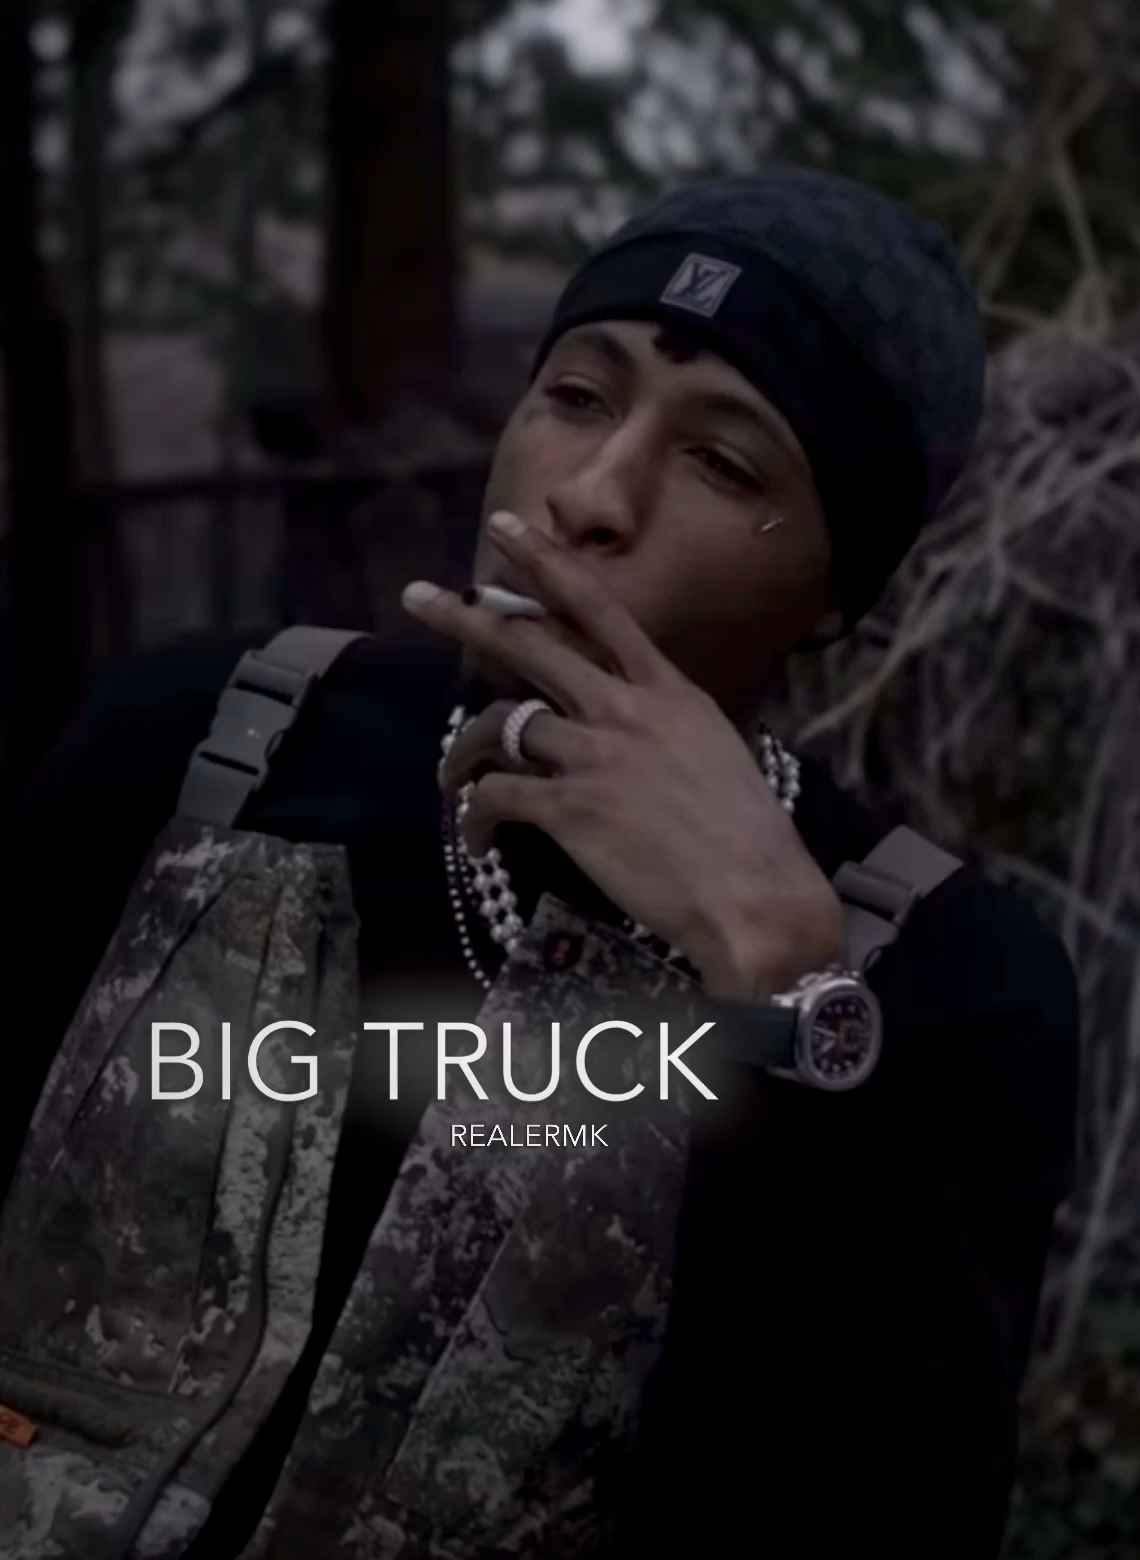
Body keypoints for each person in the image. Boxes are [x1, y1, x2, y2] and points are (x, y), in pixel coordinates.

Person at [2, 169, 1079, 1557]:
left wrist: (779, 987)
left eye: (725, 463)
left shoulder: (944, 986)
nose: (588, 495)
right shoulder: (200, 745)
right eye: (576, 395)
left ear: (835, 597)